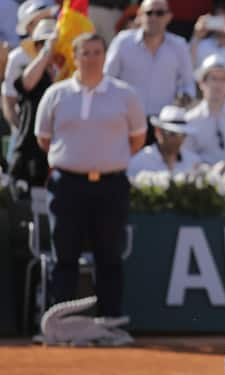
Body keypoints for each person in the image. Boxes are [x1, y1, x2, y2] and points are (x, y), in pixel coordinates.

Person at [35, 33, 147, 333]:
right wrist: (77, 162)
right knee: (64, 255)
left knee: (109, 255)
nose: (92, 58)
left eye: (98, 52)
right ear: (75, 56)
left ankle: (110, 322)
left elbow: (137, 139)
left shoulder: (125, 95)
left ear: (105, 55)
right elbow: (43, 139)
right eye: (86, 52)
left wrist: (104, 160)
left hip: (110, 186)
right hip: (66, 185)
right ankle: (61, 324)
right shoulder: (56, 94)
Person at [105, 0, 195, 145]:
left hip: (163, 125)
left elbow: (188, 84)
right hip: (127, 122)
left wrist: (183, 97)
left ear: (169, 17)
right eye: (149, 13)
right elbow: (107, 80)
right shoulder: (122, 42)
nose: (153, 18)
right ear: (140, 15)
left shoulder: (179, 45)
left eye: (159, 13)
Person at [8, 19, 59, 200]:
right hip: (29, 158)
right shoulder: (34, 73)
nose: (46, 47)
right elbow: (26, 83)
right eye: (40, 44)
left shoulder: (71, 74)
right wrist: (47, 52)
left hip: (60, 161)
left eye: (51, 43)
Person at [2, 0, 56, 164]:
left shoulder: (65, 53)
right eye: (38, 19)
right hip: (24, 135)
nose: (45, 23)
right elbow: (8, 102)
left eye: (48, 18)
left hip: (57, 138)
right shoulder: (17, 58)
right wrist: (23, 129)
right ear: (29, 27)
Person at [127, 104, 200, 178]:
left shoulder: (193, 161)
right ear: (158, 132)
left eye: (183, 135)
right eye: (172, 134)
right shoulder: (139, 162)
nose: (179, 139)